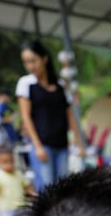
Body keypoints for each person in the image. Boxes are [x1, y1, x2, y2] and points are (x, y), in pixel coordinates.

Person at [16, 39, 86, 192]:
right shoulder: (26, 84)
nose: (30, 66)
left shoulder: (60, 86)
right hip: (43, 145)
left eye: (33, 61)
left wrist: (79, 142)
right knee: (47, 189)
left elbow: (70, 116)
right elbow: (25, 116)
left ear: (44, 58)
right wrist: (38, 146)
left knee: (63, 188)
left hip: (62, 145)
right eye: (26, 62)